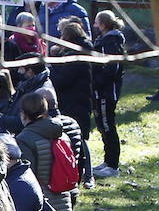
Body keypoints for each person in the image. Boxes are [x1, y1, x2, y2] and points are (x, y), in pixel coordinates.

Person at [91, 10, 126, 178]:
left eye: (97, 23)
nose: (94, 26)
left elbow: (112, 68)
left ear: (103, 25)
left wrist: (97, 82)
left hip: (106, 93)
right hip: (100, 92)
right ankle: (107, 161)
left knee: (108, 126)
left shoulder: (111, 42)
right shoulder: (104, 41)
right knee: (102, 127)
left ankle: (113, 165)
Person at [49, 21, 94, 140]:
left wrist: (51, 69)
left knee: (76, 134)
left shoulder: (75, 57)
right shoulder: (75, 53)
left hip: (74, 102)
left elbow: (61, 80)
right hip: (78, 100)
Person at [1, 55, 53, 134]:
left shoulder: (40, 93)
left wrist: (0, 119)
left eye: (21, 68)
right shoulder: (27, 84)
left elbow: (25, 121)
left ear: (30, 71)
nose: (18, 71)